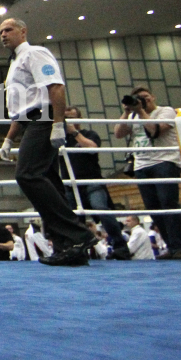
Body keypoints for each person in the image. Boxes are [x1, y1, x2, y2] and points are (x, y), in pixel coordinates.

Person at [0, 18, 97, 266]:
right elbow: (21, 107)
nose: (3, 34)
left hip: (44, 119)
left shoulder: (35, 52)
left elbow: (56, 88)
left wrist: (57, 124)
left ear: (23, 31)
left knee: (28, 175)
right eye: (0, 31)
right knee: (51, 181)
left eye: (8, 29)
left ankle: (78, 234)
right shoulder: (15, 63)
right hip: (32, 121)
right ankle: (70, 247)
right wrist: (9, 139)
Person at [113, 86, 181, 259]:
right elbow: (118, 133)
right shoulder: (133, 116)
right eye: (138, 98)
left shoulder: (166, 111)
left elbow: (156, 131)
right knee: (153, 208)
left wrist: (141, 111)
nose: (143, 100)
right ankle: (172, 248)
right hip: (141, 165)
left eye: (145, 97)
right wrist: (127, 112)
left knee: (168, 203)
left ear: (153, 97)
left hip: (165, 161)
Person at [60, 107, 131, 260]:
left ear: (79, 118)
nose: (69, 121)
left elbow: (93, 149)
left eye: (72, 117)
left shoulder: (89, 134)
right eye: (66, 118)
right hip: (71, 185)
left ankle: (120, 246)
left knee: (101, 208)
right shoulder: (58, 138)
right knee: (74, 219)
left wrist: (74, 132)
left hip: (92, 181)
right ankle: (78, 251)